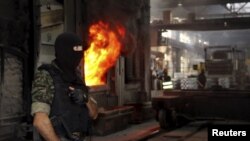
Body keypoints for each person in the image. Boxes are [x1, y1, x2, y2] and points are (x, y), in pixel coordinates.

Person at [31, 32, 98, 141]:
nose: (79, 55)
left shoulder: (77, 77)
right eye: (75, 49)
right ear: (64, 50)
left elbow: (94, 114)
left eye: (80, 50)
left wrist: (85, 99)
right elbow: (40, 121)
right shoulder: (46, 76)